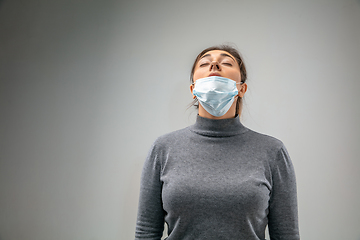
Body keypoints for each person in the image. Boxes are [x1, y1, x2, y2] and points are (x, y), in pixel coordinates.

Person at [135, 45, 300, 240]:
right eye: (205, 63)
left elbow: (286, 235)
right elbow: (146, 232)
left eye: (226, 62)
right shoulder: (163, 148)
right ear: (193, 89)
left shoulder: (273, 151)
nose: (214, 65)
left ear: (241, 89)